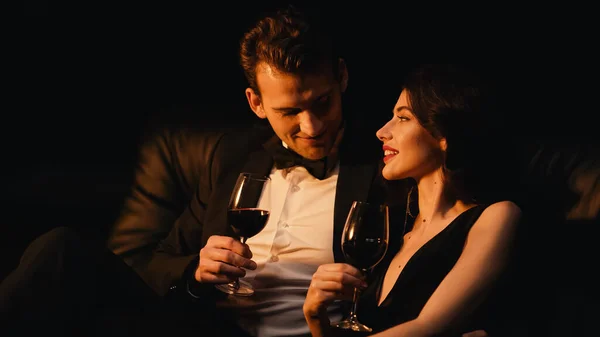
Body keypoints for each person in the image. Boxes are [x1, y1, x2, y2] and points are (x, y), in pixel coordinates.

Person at [0, 5, 388, 337]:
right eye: (289, 112)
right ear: (255, 103)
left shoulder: (384, 164)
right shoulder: (235, 155)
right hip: (202, 325)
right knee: (61, 250)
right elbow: (158, 260)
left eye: (322, 102)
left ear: (342, 77)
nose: (313, 126)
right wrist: (195, 273)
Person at [302, 63, 523, 337]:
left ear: (443, 135)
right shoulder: (392, 234)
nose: (382, 131)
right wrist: (315, 317)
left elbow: (429, 328)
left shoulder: (497, 216)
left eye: (403, 118)